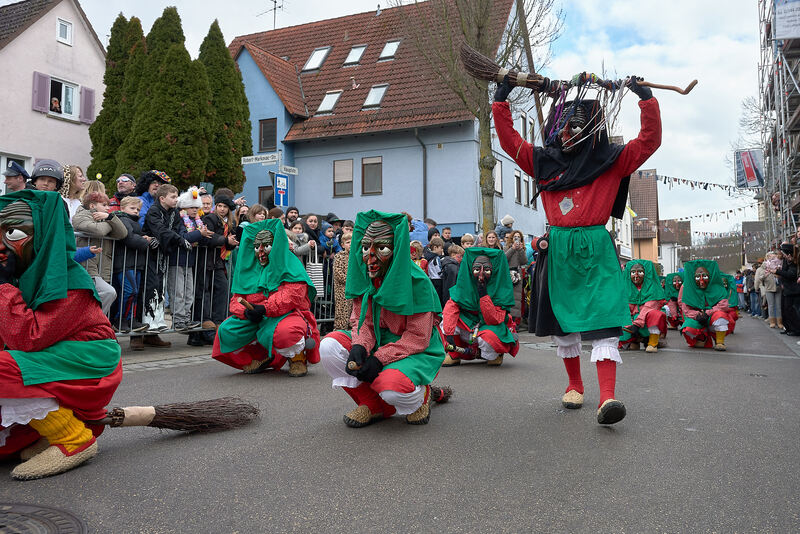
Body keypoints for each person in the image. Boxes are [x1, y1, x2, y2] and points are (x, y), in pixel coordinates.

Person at [493, 73, 661, 425]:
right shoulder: (544, 161)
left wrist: (646, 100)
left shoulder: (612, 159)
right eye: (563, 128)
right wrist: (500, 100)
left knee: (602, 324)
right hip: (559, 250)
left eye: (575, 127)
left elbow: (648, 141)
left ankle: (609, 399)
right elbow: (510, 143)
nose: (566, 134)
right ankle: (574, 384)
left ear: (591, 129)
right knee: (564, 326)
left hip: (596, 248)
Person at [0, 190, 122, 480]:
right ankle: (44, 431)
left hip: (90, 361)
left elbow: (28, 337)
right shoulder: (24, 274)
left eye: (12, 233)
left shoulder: (68, 279)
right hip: (54, 356)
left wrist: (3, 288)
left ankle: (73, 439)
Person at [319, 210, 447, 427]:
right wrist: (360, 346)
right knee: (329, 347)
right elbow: (362, 321)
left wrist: (378, 359)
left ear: (396, 250)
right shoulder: (367, 277)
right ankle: (373, 404)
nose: (370, 257)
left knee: (391, 386)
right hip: (378, 342)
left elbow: (417, 337)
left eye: (381, 248)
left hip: (413, 349)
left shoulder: (418, 283)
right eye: (365, 247)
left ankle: (422, 395)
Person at [212, 219, 321, 377]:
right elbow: (236, 298)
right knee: (226, 331)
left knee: (286, 332)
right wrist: (245, 311)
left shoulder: (289, 264)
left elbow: (293, 296)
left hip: (286, 315)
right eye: (257, 247)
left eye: (266, 246)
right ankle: (260, 358)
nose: (261, 251)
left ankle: (298, 357)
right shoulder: (250, 267)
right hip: (256, 316)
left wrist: (265, 308)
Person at [441, 247, 519, 367]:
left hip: (490, 325)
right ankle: (455, 354)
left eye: (486, 270)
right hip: (469, 323)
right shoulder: (466, 285)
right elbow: (451, 307)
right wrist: (449, 332)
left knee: (488, 338)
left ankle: (494, 354)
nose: (481, 273)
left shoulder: (499, 289)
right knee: (445, 324)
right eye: (477, 269)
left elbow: (493, 319)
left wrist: (484, 296)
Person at [72, 191, 128, 316]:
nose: (108, 208)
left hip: (103, 268)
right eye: (104, 205)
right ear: (92, 206)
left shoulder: (105, 217)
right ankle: (89, 324)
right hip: (87, 268)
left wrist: (110, 218)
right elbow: (99, 231)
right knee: (108, 293)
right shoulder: (81, 216)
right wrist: (109, 222)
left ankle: (92, 326)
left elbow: (123, 233)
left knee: (99, 299)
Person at [169, 187, 212, 333]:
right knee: (178, 292)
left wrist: (205, 236)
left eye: (196, 207)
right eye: (191, 207)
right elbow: (184, 237)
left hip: (190, 261)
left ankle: (186, 318)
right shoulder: (179, 220)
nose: (195, 210)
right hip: (177, 260)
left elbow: (199, 241)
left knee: (189, 292)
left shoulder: (196, 221)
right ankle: (178, 320)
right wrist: (200, 233)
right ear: (184, 207)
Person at [195, 195, 238, 333]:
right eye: (219, 206)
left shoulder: (229, 222)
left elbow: (229, 242)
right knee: (204, 290)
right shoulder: (210, 218)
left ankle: (219, 320)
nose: (222, 209)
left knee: (222, 288)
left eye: (225, 207)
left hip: (218, 261)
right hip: (205, 260)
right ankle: (205, 318)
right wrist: (225, 240)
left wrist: (231, 242)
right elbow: (208, 237)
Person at [110, 196, 152, 335]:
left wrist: (142, 238)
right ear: (122, 208)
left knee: (135, 293)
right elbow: (128, 237)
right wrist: (145, 241)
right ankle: (119, 319)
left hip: (135, 263)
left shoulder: (135, 222)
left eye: (138, 209)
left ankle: (130, 319)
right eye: (132, 208)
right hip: (124, 263)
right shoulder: (122, 219)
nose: (136, 211)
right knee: (129, 291)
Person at [678, 260, 731, 350]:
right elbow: (685, 307)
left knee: (721, 316)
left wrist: (708, 313)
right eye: (698, 277)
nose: (701, 280)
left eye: (705, 276)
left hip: (712, 316)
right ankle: (702, 338)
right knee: (688, 328)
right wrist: (697, 315)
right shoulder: (687, 287)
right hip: (697, 317)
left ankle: (719, 341)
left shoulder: (717, 286)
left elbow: (723, 304)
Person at [619, 260, 666, 353]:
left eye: (640, 272)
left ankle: (652, 342)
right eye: (633, 273)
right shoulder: (627, 288)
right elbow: (625, 309)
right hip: (634, 320)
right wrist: (630, 324)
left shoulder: (653, 289)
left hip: (645, 319)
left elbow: (648, 308)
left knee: (656, 315)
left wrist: (637, 324)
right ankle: (635, 340)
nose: (636, 276)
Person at [770, 243, 800, 336]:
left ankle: (795, 329)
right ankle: (788, 327)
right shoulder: (787, 261)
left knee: (791, 311)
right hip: (786, 289)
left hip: (793, 290)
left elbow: (791, 274)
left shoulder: (793, 263)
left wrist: (777, 271)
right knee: (785, 310)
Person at [504, 230, 528, 324]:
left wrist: (521, 250)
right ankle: (507, 319)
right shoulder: (506, 247)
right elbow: (504, 258)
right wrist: (513, 248)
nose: (517, 238)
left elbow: (524, 261)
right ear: (512, 238)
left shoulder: (522, 249)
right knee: (508, 296)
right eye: (515, 237)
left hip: (517, 275)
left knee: (517, 297)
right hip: (507, 273)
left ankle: (515, 321)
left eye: (519, 237)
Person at [757, 252, 783, 329]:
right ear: (767, 257)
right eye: (770, 255)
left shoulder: (778, 263)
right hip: (769, 288)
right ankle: (772, 322)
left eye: (773, 255)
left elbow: (782, 274)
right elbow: (760, 277)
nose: (772, 256)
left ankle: (779, 322)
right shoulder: (765, 265)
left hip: (778, 287)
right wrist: (766, 274)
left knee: (778, 306)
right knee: (771, 306)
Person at [333, 232, 353, 330]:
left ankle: (350, 332)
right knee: (342, 311)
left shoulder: (355, 257)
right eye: (348, 242)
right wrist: (350, 281)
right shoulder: (339, 256)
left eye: (352, 242)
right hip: (342, 289)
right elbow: (338, 273)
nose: (351, 244)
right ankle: (339, 330)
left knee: (352, 311)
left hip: (353, 289)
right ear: (343, 245)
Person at [426, 236, 445, 303]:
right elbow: (438, 269)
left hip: (430, 279)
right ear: (435, 247)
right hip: (437, 279)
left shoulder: (427, 256)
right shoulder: (436, 258)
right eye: (441, 248)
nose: (442, 250)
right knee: (438, 297)